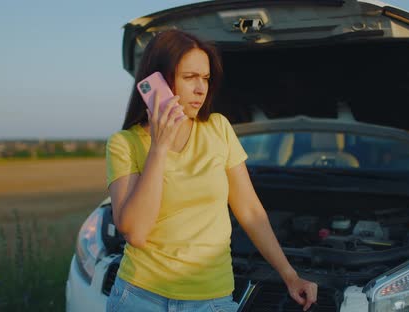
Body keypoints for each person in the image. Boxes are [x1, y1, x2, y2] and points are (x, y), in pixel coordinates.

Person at [105, 29, 317, 312]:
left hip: (212, 300)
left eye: (205, 78)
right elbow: (136, 232)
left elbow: (250, 210)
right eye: (189, 77)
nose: (200, 89)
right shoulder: (125, 144)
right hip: (141, 297)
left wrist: (290, 276)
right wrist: (159, 148)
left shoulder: (218, 128)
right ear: (159, 81)